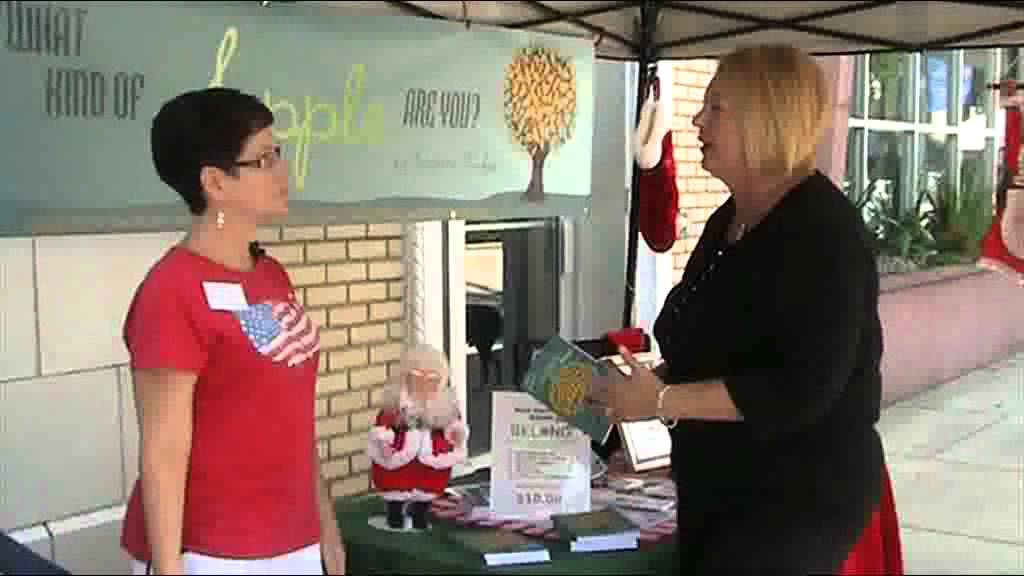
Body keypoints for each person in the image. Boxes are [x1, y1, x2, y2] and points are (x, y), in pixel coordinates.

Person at [591, 44, 887, 574]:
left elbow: (800, 387)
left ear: (766, 119)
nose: (698, 120)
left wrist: (660, 399)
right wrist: (634, 394)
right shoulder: (730, 218)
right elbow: (708, 347)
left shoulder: (823, 233)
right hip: (721, 483)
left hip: (796, 493)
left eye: (717, 109)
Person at [119, 87, 345, 575]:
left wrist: (325, 524)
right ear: (215, 182)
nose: (283, 171)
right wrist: (168, 567)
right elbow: (163, 451)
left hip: (292, 540)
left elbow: (287, 411)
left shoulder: (268, 276)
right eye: (264, 159)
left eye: (278, 153)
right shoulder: (171, 292)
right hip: (213, 552)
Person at [367, 344, 468, 530]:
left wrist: (457, 435)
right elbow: (382, 429)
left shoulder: (445, 406)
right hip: (398, 457)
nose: (424, 384)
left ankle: (420, 514)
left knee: (427, 490)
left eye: (432, 379)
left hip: (431, 460)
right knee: (395, 488)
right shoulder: (395, 404)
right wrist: (384, 443)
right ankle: (394, 515)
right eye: (417, 377)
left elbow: (454, 426)